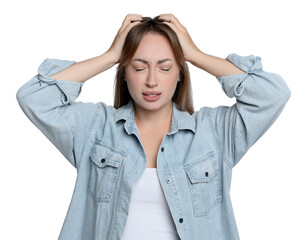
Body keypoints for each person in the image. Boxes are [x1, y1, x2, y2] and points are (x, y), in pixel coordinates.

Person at [16, 13, 290, 240]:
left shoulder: (213, 133)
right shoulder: (95, 128)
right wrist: (111, 55)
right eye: (138, 67)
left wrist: (195, 54)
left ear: (180, 73)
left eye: (165, 67)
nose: (151, 80)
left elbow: (272, 94)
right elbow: (33, 97)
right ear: (124, 73)